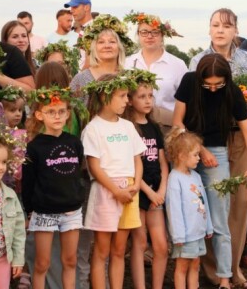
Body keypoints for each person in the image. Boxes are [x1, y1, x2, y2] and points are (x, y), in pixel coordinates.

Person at [185, 8, 247, 287]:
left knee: (240, 204)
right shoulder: (197, 61)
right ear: (209, 29)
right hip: (208, 142)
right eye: (215, 25)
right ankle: (212, 269)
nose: (220, 30)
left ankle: (233, 267)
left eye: (226, 26)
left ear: (235, 30)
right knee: (210, 204)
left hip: (242, 137)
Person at [173, 53, 247, 289]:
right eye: (207, 84)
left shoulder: (231, 91)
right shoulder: (190, 81)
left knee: (220, 218)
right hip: (186, 149)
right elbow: (178, 122)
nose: (212, 89)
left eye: (218, 84)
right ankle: (187, 273)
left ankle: (224, 277)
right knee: (187, 214)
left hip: (217, 153)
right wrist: (199, 149)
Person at [81, 72, 146, 289]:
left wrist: (136, 184)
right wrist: (115, 191)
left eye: (127, 95)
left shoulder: (127, 127)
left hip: (130, 191)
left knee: (119, 250)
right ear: (104, 97)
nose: (127, 101)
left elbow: (137, 159)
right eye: (122, 96)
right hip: (105, 191)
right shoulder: (93, 128)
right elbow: (94, 166)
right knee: (102, 250)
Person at [22, 87, 85, 289]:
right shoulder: (34, 147)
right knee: (42, 264)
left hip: (71, 211)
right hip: (44, 212)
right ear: (40, 115)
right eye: (51, 111)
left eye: (61, 111)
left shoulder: (75, 143)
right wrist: (29, 211)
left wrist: (77, 198)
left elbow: (77, 176)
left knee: (70, 261)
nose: (57, 116)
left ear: (68, 114)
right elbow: (28, 182)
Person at [122, 70, 169, 289]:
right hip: (138, 192)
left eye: (150, 95)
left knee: (160, 246)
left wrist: (161, 191)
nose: (148, 100)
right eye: (142, 96)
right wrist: (148, 192)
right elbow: (131, 166)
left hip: (156, 193)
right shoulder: (129, 128)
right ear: (130, 100)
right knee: (140, 243)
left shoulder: (154, 127)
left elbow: (162, 163)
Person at [165, 127, 213, 289]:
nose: (199, 158)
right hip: (185, 236)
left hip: (198, 233)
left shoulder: (196, 176)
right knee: (182, 267)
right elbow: (174, 210)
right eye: (195, 155)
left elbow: (203, 202)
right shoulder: (174, 179)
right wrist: (178, 236)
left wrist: (208, 226)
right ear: (181, 156)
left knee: (195, 264)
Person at [124, 11, 188, 134]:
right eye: (144, 32)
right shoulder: (127, 63)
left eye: (155, 32)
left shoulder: (177, 65)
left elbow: (187, 100)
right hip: (134, 127)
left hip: (167, 127)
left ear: (162, 35)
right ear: (138, 34)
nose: (149, 36)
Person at [70, 14, 131, 101]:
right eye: (101, 42)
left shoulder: (128, 77)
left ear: (120, 47)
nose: (107, 46)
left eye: (112, 42)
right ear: (93, 47)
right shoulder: (81, 79)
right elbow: (71, 111)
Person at [0, 134, 26, 289]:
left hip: (2, 259)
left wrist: (18, 259)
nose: (1, 167)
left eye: (3, 162)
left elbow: (19, 231)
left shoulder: (9, 195)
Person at [64, 0, 93, 69]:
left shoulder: (92, 30)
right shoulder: (85, 29)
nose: (71, 11)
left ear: (87, 7)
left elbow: (90, 62)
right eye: (71, 8)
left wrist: (78, 79)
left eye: (75, 7)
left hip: (87, 79)